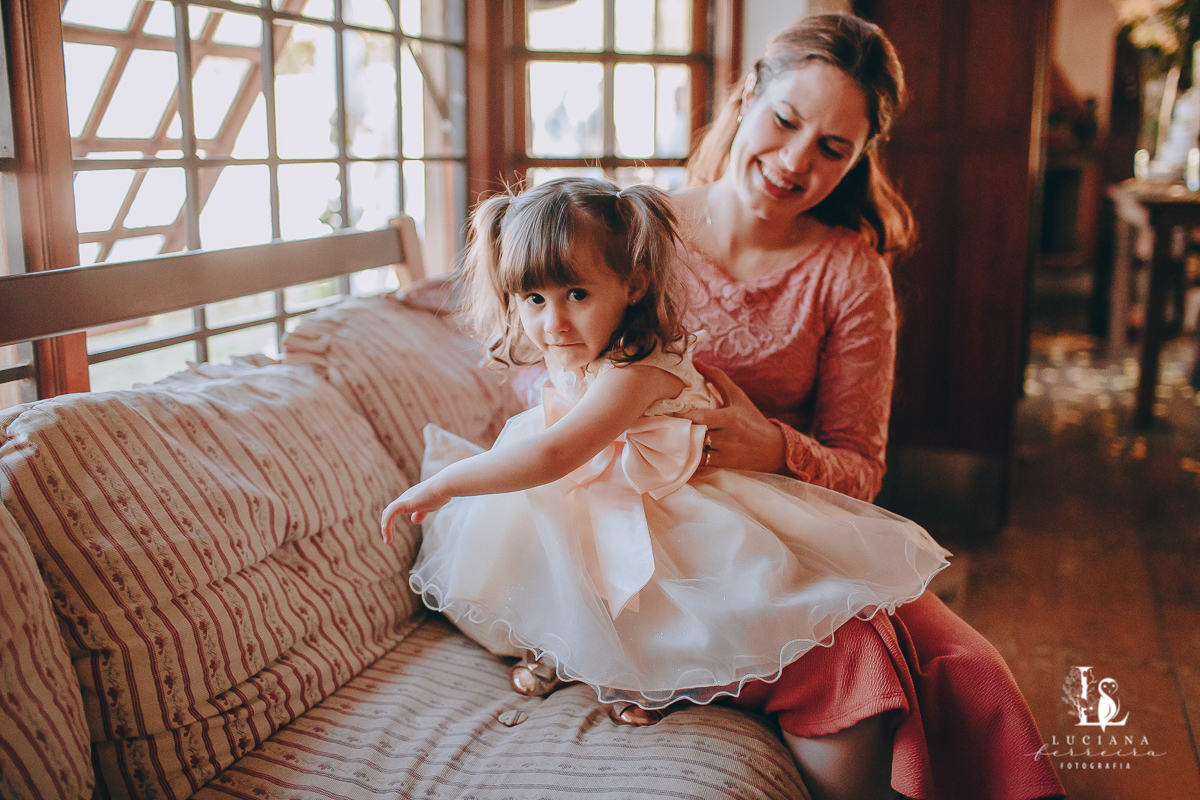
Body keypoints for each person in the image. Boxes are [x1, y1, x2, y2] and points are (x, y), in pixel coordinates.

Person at [660, 11, 1066, 800]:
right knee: (855, 660)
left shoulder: (849, 273)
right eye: (785, 121)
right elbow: (550, 359)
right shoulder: (642, 228)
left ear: (858, 159)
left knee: (973, 669)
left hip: (789, 525)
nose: (794, 162)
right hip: (657, 521)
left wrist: (771, 447)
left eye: (831, 148)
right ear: (747, 95)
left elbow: (862, 468)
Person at [380, 176, 951, 734]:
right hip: (609, 484)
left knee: (669, 595)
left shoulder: (639, 367)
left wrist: (447, 483)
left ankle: (655, 679)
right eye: (533, 298)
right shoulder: (579, 337)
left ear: (634, 284)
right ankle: (560, 648)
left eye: (577, 294)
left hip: (678, 503)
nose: (552, 324)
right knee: (551, 541)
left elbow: (556, 450)